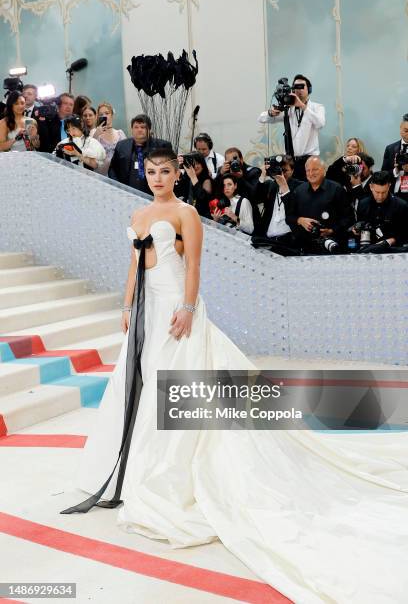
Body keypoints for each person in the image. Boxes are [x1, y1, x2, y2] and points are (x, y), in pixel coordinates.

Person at [59, 147, 408, 604]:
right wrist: (126, 306)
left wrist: (186, 308)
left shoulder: (186, 213)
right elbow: (134, 264)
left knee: (177, 385)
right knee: (141, 383)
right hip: (145, 309)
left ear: (176, 174)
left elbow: (194, 266)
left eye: (165, 171)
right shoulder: (139, 211)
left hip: (176, 309)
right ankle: (134, 464)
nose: (157, 177)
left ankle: (171, 468)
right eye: (151, 171)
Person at [258, 74, 326, 180]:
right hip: (291, 161)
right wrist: (271, 113)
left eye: (301, 86)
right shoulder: (289, 109)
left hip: (310, 160)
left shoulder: (317, 107)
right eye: (295, 87)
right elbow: (261, 118)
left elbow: (320, 123)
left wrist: (302, 106)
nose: (298, 90)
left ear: (309, 89)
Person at [285, 156, 354, 254]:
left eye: (315, 169)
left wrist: (332, 230)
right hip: (304, 248)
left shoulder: (337, 189)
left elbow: (349, 218)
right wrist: (300, 220)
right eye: (308, 170)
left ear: (324, 170)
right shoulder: (298, 191)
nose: (311, 173)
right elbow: (289, 217)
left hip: (332, 246)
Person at [108, 114, 171, 192]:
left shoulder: (162, 146)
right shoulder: (122, 145)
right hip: (127, 193)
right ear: (132, 129)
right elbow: (112, 169)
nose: (139, 130)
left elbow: (169, 172)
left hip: (154, 195)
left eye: (143, 127)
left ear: (149, 129)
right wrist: (118, 187)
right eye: (136, 127)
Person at [251, 155, 301, 250]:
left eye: (285, 170)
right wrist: (262, 176)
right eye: (279, 170)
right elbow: (255, 198)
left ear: (292, 170)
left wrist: (284, 186)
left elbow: (294, 208)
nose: (281, 174)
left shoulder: (299, 187)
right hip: (268, 240)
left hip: (288, 241)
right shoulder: (272, 185)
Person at [353, 170, 408, 252]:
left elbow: (405, 233)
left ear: (389, 186)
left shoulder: (401, 205)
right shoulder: (363, 204)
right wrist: (357, 230)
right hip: (367, 251)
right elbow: (360, 226)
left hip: (393, 251)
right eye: (377, 192)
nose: (380, 196)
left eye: (384, 192)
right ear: (371, 187)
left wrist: (390, 241)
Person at [91, 102, 127, 176]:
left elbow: (127, 154)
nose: (104, 116)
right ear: (98, 117)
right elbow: (90, 152)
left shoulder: (120, 133)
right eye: (101, 114)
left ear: (112, 115)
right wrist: (97, 134)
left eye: (107, 113)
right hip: (101, 174)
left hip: (118, 173)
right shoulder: (94, 132)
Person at [175, 152, 213, 218]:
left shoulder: (207, 180)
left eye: (198, 163)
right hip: (185, 215)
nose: (195, 166)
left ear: (203, 165)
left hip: (201, 218)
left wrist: (193, 177)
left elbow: (202, 198)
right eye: (192, 163)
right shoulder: (186, 177)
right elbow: (177, 192)